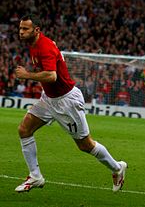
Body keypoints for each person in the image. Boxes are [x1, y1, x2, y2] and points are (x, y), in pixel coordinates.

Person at [15, 14, 127, 193]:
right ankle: (35, 176)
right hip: (49, 99)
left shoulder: (44, 47)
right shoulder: (34, 44)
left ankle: (117, 168)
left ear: (36, 30)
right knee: (24, 130)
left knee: (85, 145)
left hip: (67, 102)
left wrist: (27, 75)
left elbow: (52, 75)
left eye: (25, 29)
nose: (21, 32)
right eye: (20, 28)